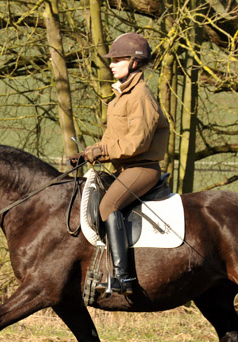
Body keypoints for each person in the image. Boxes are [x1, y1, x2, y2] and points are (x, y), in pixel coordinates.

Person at [79, 32, 169, 295]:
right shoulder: (121, 97)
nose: (111, 64)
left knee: (108, 205)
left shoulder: (140, 96)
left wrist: (101, 150)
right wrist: (89, 153)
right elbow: (111, 139)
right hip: (125, 168)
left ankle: (123, 278)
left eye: (117, 59)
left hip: (142, 169)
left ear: (133, 62)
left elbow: (136, 144)